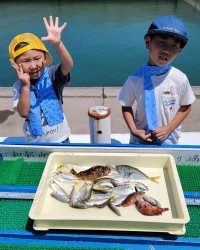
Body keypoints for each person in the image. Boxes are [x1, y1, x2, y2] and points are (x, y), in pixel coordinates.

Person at [117, 15, 196, 145]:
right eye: (161, 43)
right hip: (139, 136)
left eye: (174, 46)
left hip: (169, 137)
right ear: (148, 42)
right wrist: (134, 130)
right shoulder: (135, 79)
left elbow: (187, 105)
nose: (166, 50)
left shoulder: (180, 78)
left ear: (179, 50)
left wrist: (168, 128)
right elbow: (126, 105)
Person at [9, 16, 73, 143]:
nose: (33, 66)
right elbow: (23, 113)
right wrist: (25, 87)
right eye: (25, 61)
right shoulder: (18, 86)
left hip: (61, 138)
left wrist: (57, 44)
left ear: (45, 58)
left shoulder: (52, 74)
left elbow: (68, 65)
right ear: (17, 65)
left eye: (37, 58)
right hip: (35, 141)